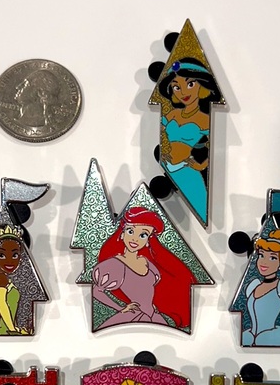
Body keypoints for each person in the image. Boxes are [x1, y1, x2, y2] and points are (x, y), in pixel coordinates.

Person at [92, 207, 195, 330]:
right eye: (130, 231)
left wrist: (151, 306)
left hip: (154, 316)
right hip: (133, 317)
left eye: (143, 235)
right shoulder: (115, 265)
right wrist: (120, 308)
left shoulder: (148, 264)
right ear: (122, 233)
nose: (135, 239)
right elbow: (96, 291)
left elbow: (149, 291)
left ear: (147, 240)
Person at [158, 58, 220, 223]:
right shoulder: (171, 114)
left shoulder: (204, 119)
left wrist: (201, 165)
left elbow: (212, 147)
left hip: (188, 171)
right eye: (176, 87)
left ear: (201, 84)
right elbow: (164, 135)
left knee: (199, 209)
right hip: (168, 168)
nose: (183, 92)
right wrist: (164, 153)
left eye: (190, 84)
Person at [242, 229, 280, 347]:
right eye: (261, 255)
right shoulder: (254, 285)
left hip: (270, 337)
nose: (264, 262)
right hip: (249, 338)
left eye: (272, 258)